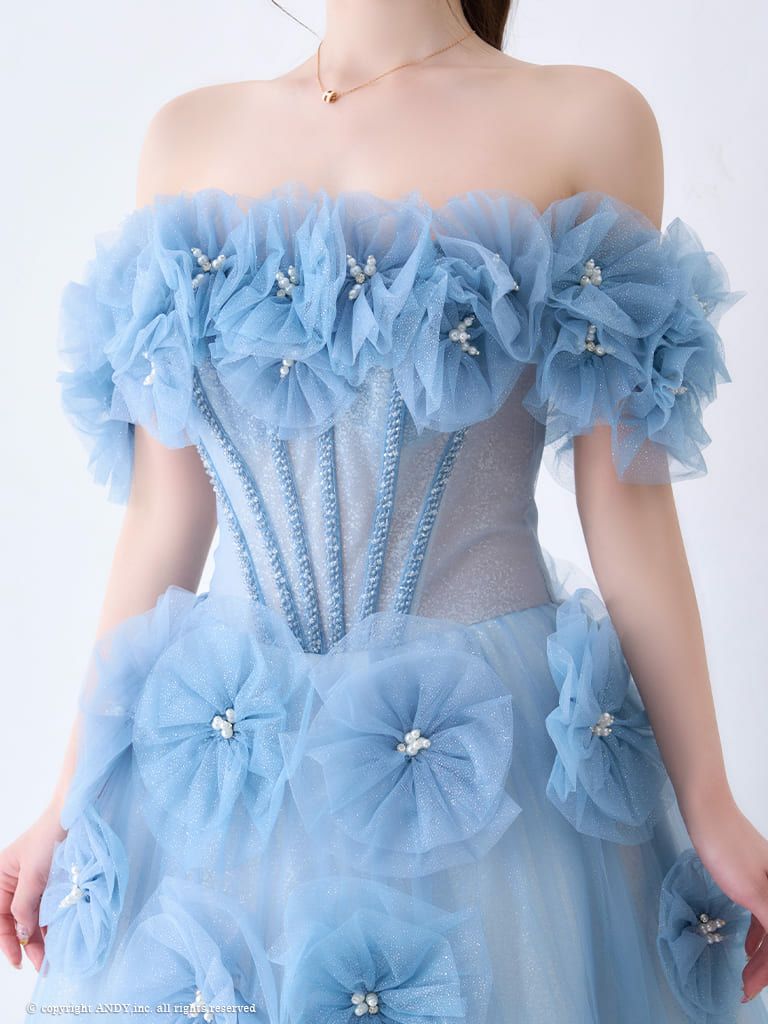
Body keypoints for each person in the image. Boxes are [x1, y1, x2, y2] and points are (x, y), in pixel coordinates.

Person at [3, 0, 767, 1020]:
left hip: (484, 764)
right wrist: (69, 796)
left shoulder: (588, 121)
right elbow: (162, 516)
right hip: (227, 765)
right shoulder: (185, 138)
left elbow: (624, 499)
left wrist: (710, 803)